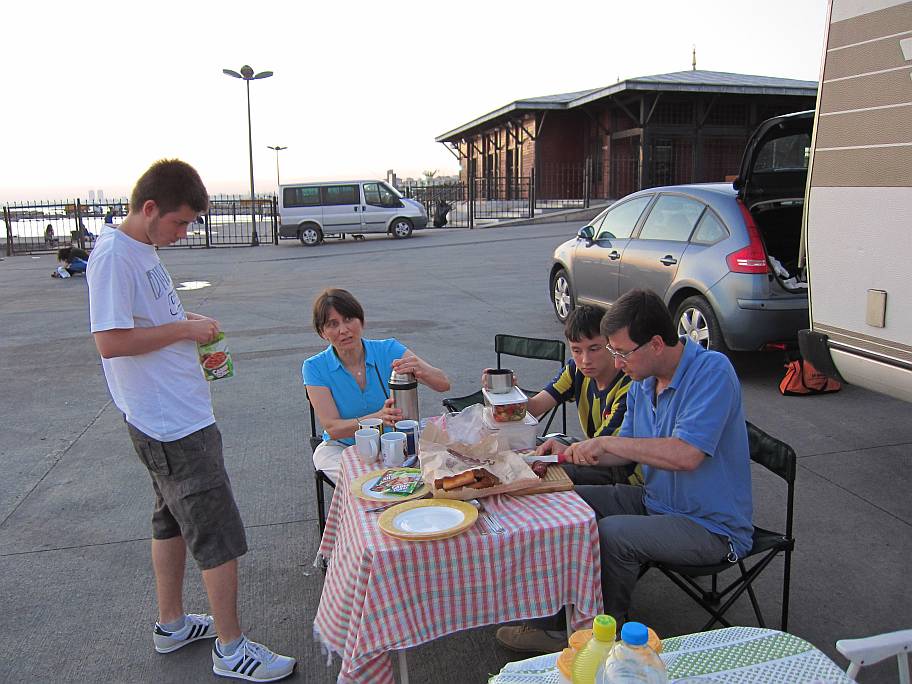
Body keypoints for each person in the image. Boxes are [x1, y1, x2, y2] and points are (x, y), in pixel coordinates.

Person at [86, 159, 296, 682]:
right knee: (215, 531)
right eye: (179, 222)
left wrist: (187, 322)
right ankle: (231, 648)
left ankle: (172, 624)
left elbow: (147, 321)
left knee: (171, 520)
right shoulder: (114, 256)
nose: (184, 233)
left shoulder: (140, 249)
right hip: (172, 424)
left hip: (169, 414)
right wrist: (183, 332)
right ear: (149, 208)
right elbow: (110, 341)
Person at [496, 289, 753, 654]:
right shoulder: (642, 382)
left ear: (657, 344)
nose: (616, 363)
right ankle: (555, 617)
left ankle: (602, 639)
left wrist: (607, 443)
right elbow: (623, 451)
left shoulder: (712, 371)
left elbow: (687, 455)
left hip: (711, 526)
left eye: (621, 352)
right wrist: (567, 454)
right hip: (655, 501)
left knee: (613, 534)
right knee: (559, 500)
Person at [303, 288, 451, 483]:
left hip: (396, 440)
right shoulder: (314, 367)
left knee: (439, 471)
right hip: (340, 447)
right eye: (333, 324)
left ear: (361, 321)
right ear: (322, 332)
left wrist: (421, 370)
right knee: (365, 483)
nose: (343, 330)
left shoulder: (388, 349)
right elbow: (333, 429)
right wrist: (379, 417)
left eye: (349, 319)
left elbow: (443, 384)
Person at [525, 305, 634, 485]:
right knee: (529, 448)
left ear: (611, 345)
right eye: (576, 350)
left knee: (544, 475)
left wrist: (564, 451)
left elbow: (600, 448)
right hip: (590, 449)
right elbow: (534, 407)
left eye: (594, 349)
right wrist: (507, 393)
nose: (585, 360)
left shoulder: (628, 387)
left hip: (620, 469)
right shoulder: (576, 370)